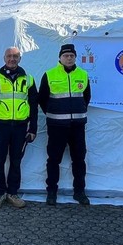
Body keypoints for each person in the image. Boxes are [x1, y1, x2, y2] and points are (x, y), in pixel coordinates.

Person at [38, 44, 91, 206]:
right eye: (66, 55)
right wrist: (54, 112)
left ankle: (79, 192)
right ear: (60, 58)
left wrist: (78, 111)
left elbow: (86, 97)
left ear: (75, 57)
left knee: (79, 159)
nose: (69, 58)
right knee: (54, 159)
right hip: (56, 126)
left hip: (77, 126)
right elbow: (42, 99)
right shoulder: (49, 74)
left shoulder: (83, 74)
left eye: (71, 56)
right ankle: (52, 192)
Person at [0, 47, 38, 210]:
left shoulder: (29, 79)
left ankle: (12, 193)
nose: (12, 59)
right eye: (9, 56)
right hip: (0, 127)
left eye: (15, 56)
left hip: (20, 127)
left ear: (20, 58)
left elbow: (34, 106)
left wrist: (33, 129)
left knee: (16, 161)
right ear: (4, 58)